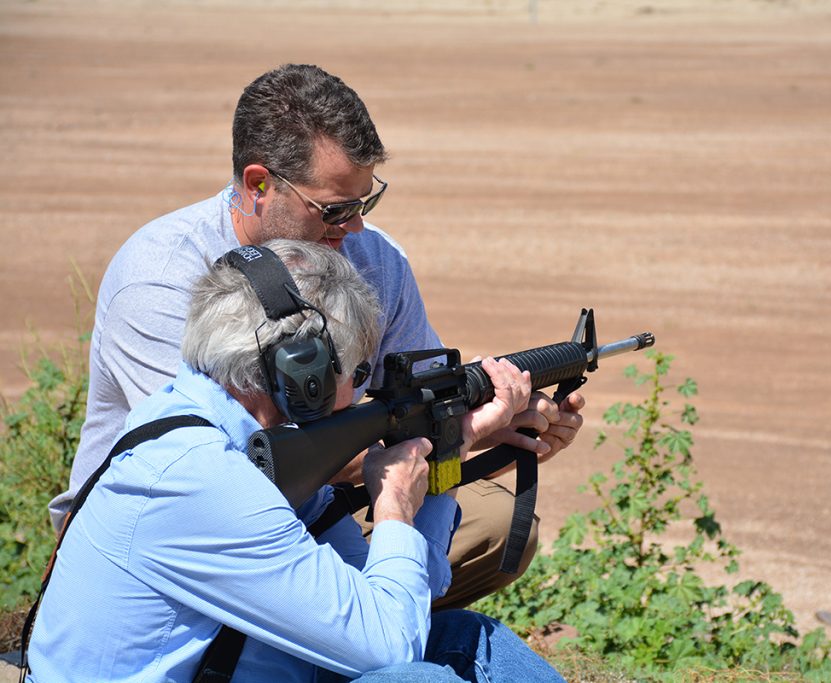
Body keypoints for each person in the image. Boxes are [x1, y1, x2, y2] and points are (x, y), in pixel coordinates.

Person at [49, 63, 585, 608]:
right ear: (259, 184)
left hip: (313, 498)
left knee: (492, 520)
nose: (353, 228)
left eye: (365, 202)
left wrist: (497, 419)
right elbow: (219, 469)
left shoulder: (373, 258)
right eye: (334, 209)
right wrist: (461, 435)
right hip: (173, 529)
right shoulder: (162, 279)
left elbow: (414, 396)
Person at [27, 240, 564, 683]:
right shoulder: (198, 477)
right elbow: (390, 650)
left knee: (468, 640)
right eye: (359, 370)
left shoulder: (232, 440)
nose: (362, 389)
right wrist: (396, 504)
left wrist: (450, 444)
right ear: (302, 375)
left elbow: (396, 606)